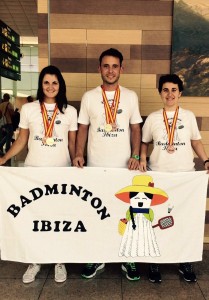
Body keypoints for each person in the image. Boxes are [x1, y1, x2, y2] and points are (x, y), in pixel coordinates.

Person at [0, 65, 77, 283]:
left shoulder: (69, 111)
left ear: (60, 85)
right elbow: (22, 140)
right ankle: (35, 260)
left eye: (54, 82)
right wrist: (5, 158)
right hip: (34, 171)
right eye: (46, 82)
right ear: (41, 85)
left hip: (61, 171)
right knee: (36, 218)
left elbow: (72, 145)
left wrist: (78, 163)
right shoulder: (29, 109)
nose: (50, 87)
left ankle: (59, 260)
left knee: (58, 218)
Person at [73, 48, 143, 281]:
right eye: (106, 66)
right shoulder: (89, 97)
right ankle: (96, 256)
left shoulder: (131, 96)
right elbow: (83, 127)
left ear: (121, 69)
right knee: (96, 212)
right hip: (95, 166)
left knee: (127, 214)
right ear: (99, 68)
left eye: (115, 66)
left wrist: (135, 155)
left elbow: (135, 128)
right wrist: (77, 154)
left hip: (125, 168)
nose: (110, 70)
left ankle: (127, 258)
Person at [139, 74, 209, 283]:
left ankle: (184, 262)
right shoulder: (153, 118)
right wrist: (142, 158)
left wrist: (206, 161)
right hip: (158, 177)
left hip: (184, 178)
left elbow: (196, 142)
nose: (170, 94)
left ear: (180, 93)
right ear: (160, 93)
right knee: (157, 220)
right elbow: (144, 143)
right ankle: (154, 263)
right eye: (165, 90)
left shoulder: (188, 116)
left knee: (183, 222)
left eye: (174, 90)